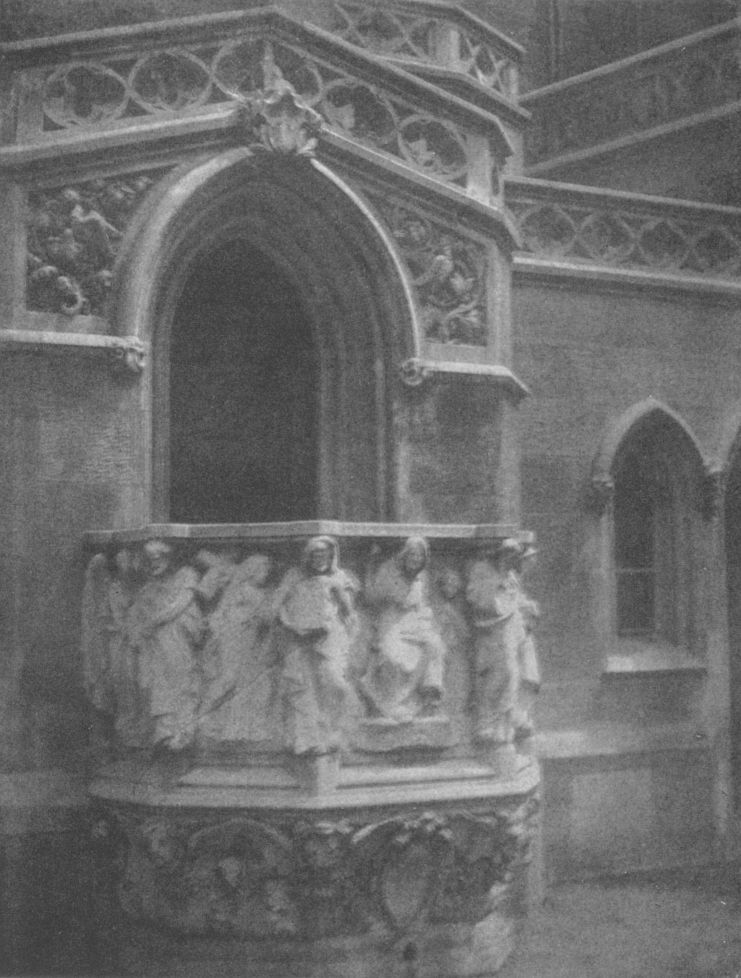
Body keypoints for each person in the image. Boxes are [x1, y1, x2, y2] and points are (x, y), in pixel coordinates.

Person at [274, 536, 357, 755]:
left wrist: (337, 591)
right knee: (303, 687)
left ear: (331, 557)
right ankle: (308, 739)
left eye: (324, 556)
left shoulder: (338, 577)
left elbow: (349, 611)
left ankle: (334, 732)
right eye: (315, 555)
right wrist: (288, 620)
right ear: (307, 557)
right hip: (297, 639)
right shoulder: (294, 576)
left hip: (329, 638)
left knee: (334, 682)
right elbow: (278, 603)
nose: (320, 560)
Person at [126, 540, 204, 750]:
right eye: (150, 559)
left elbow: (181, 602)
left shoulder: (187, 574)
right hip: (157, 641)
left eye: (159, 557)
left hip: (179, 637)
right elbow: (138, 614)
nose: (155, 563)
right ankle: (165, 731)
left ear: (170, 557)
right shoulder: (149, 588)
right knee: (160, 682)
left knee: (184, 676)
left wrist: (155, 620)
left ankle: (184, 730)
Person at [359, 536, 446, 722]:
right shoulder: (388, 570)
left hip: (415, 622)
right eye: (412, 555)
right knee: (392, 657)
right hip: (391, 620)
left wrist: (427, 621)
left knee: (434, 645)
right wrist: (371, 569)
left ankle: (429, 698)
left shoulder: (422, 577)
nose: (416, 559)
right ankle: (392, 703)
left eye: (420, 556)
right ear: (404, 555)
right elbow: (372, 597)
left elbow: (424, 604)